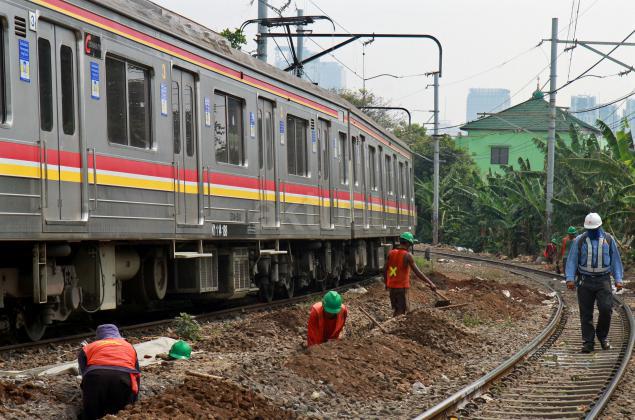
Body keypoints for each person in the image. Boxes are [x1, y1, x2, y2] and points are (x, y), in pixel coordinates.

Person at [565, 213, 624, 353]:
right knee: (586, 313)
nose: (592, 232)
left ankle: (602, 337)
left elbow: (615, 260)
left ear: (600, 227)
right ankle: (588, 342)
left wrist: (618, 279)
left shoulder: (608, 239)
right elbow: (572, 260)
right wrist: (570, 278)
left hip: (603, 280)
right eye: (589, 229)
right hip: (585, 280)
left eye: (594, 229)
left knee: (606, 309)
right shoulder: (580, 240)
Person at [78, 324, 141, 419]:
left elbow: (84, 373)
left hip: (95, 378)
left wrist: (89, 391)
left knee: (92, 414)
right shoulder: (129, 346)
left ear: (99, 337)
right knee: (119, 414)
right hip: (122, 379)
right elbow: (136, 373)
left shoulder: (88, 348)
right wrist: (134, 400)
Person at [385, 232, 437, 316]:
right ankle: (396, 324)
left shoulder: (391, 253)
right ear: (408, 243)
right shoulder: (407, 255)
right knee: (401, 311)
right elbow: (418, 272)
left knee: (397, 309)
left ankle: (394, 322)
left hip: (392, 287)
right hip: (401, 288)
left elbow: (384, 270)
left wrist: (386, 283)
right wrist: (431, 283)